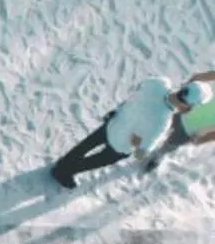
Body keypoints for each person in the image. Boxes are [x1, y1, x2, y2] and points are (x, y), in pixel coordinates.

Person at [53, 78, 196, 188]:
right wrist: (137, 144)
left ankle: (63, 162)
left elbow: (137, 90)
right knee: (95, 161)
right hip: (120, 146)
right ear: (186, 106)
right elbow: (141, 153)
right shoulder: (163, 122)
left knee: (86, 145)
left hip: (115, 122)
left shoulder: (159, 83)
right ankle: (63, 172)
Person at [145, 76, 215, 172]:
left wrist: (201, 139)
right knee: (158, 125)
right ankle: (145, 141)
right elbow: (202, 76)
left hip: (189, 130)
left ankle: (157, 157)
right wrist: (189, 86)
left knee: (170, 145)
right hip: (180, 109)